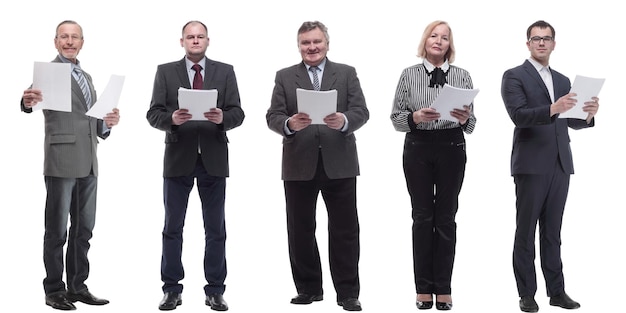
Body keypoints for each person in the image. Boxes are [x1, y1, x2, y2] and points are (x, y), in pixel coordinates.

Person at [266, 21, 369, 312]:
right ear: (299, 46)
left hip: (340, 162)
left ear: (327, 43)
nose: (311, 48)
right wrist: (289, 124)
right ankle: (308, 288)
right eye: (305, 43)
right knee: (300, 228)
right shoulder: (285, 77)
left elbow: (361, 110)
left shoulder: (346, 73)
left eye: (316, 42)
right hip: (299, 162)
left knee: (345, 230)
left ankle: (348, 292)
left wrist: (345, 121)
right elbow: (273, 115)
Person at [20, 20, 120, 311]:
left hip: (89, 160)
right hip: (61, 160)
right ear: (55, 42)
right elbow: (30, 99)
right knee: (56, 230)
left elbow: (93, 120)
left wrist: (107, 123)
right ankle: (54, 290)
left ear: (82, 42)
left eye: (74, 37)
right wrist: (27, 101)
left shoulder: (86, 76)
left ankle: (78, 286)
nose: (69, 41)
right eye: (64, 36)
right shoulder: (48, 72)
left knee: (84, 228)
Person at [501, 20, 599, 312]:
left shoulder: (563, 80)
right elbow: (518, 115)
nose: (541, 43)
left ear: (554, 44)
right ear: (528, 44)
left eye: (546, 38)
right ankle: (527, 294)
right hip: (531, 164)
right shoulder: (514, 76)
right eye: (536, 38)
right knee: (526, 230)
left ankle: (556, 292)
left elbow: (573, 122)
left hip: (560, 163)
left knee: (553, 232)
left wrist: (590, 115)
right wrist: (552, 109)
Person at [146, 20, 244, 312]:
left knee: (215, 229)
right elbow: (153, 113)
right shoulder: (166, 72)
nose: (195, 40)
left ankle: (215, 290)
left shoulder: (225, 72)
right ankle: (171, 289)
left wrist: (222, 118)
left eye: (200, 36)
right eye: (190, 37)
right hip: (178, 158)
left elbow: (238, 112)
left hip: (213, 159)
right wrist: (171, 120)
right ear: (182, 42)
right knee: (172, 228)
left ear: (208, 41)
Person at [390, 20, 476, 311]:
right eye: (434, 36)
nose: (438, 41)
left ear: (450, 45)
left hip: (452, 145)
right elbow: (395, 118)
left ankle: (445, 287)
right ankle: (423, 288)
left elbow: (472, 124)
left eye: (445, 38)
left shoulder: (462, 76)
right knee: (422, 216)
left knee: (447, 217)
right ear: (425, 41)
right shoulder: (409, 74)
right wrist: (414, 118)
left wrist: (464, 119)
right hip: (418, 146)